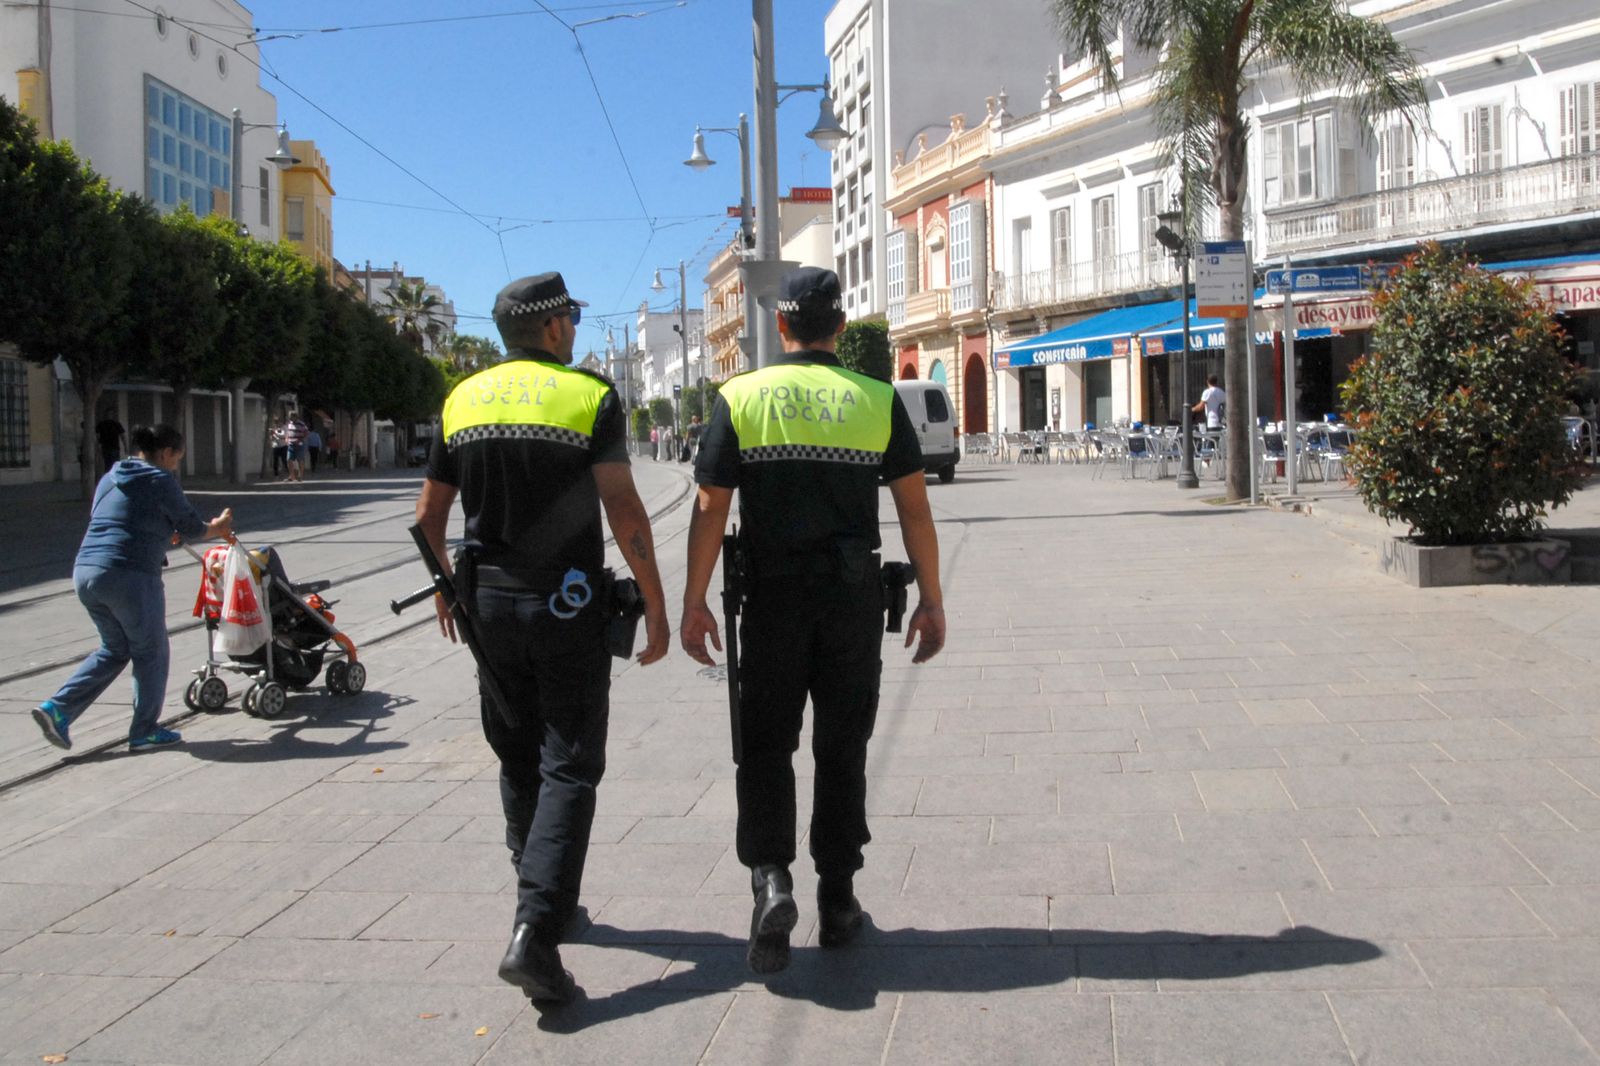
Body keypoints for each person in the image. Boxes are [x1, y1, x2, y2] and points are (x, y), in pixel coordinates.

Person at [680, 266, 946, 975]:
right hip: (852, 600)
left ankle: (771, 880)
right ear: (839, 325)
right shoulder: (876, 398)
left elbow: (710, 506)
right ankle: (837, 899)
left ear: (782, 327)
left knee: (765, 742)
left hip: (769, 600)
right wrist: (933, 599)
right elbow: (914, 507)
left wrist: (692, 601)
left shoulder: (743, 396)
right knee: (842, 742)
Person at [415, 271, 670, 1004]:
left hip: (486, 605)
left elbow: (431, 517)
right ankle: (534, 930)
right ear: (555, 327)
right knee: (570, 763)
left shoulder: (462, 399)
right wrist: (654, 601)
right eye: (571, 321)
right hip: (565, 602)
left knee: (517, 754)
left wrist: (445, 589)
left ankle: (547, 903)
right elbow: (622, 505)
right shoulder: (587, 395)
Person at [32, 424, 233, 752]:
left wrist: (160, 531)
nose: (175, 466)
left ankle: (58, 709)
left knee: (114, 649)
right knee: (151, 651)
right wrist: (219, 528)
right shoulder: (161, 479)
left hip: (86, 572)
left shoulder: (110, 477)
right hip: (130, 574)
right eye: (177, 459)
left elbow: (121, 518)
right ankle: (144, 730)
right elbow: (193, 527)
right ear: (166, 453)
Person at [95, 408, 126, 475]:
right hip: (106, 448)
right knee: (107, 465)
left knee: (114, 465)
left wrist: (125, 446)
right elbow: (97, 437)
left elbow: (122, 436)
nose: (109, 415)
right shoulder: (101, 424)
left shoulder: (116, 424)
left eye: (111, 414)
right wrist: (98, 447)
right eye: (108, 414)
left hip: (114, 447)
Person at [283, 412, 309, 483]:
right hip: (291, 444)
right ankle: (291, 476)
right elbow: (288, 433)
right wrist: (286, 439)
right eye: (289, 416)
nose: (290, 418)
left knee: (300, 460)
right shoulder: (289, 424)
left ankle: (300, 476)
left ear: (295, 417)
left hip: (299, 444)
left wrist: (300, 439)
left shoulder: (301, 424)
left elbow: (306, 432)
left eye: (291, 416)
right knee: (289, 460)